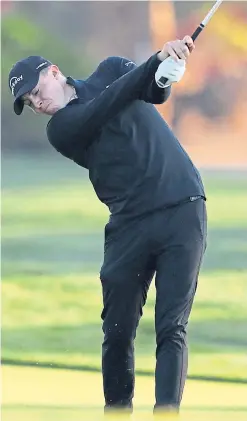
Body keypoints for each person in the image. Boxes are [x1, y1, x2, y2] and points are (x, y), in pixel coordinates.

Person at [9, 36, 207, 415]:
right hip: (128, 224)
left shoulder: (113, 68)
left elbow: (151, 92)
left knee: (172, 326)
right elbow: (107, 104)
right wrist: (156, 61)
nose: (37, 103)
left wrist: (166, 72)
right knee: (117, 333)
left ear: (54, 71)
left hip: (183, 206)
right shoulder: (62, 129)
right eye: (29, 103)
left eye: (36, 92)